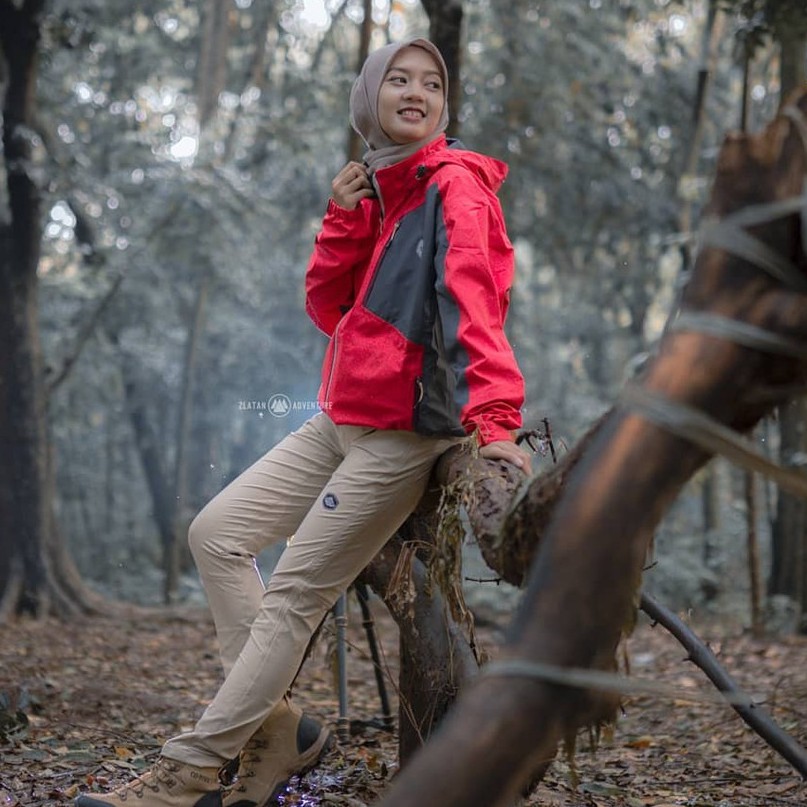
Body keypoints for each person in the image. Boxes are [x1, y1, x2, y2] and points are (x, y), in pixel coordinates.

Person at [75, 37, 530, 807]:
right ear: (368, 100)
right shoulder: (382, 189)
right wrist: (344, 217)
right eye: (398, 79)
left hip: (402, 434)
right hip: (340, 420)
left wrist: (495, 421)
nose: (416, 91)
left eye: (431, 83)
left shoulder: (454, 187)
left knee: (293, 593)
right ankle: (278, 728)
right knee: (215, 534)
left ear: (444, 106)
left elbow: (474, 306)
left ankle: (187, 773)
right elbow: (330, 311)